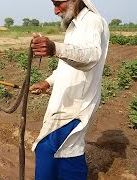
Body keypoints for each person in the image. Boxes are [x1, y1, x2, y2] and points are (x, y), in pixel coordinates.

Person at [29, 0, 109, 179]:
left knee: (46, 148)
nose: (55, 10)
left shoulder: (91, 21)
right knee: (68, 152)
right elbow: (67, 66)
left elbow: (91, 55)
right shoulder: (75, 26)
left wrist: (55, 48)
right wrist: (47, 82)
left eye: (58, 3)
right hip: (67, 101)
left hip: (75, 106)